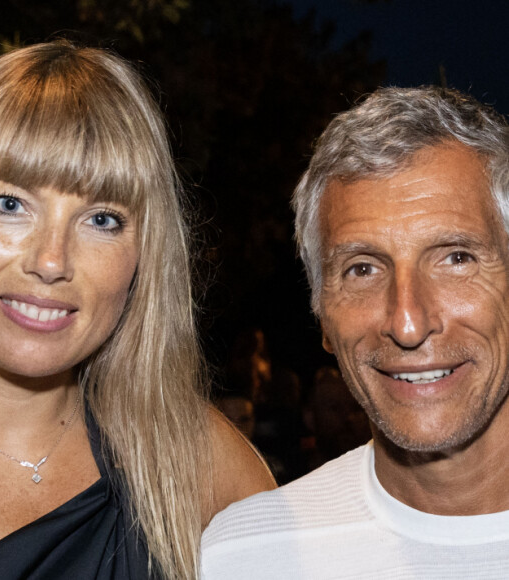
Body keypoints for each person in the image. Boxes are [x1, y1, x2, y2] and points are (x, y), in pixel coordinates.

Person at [0, 40, 275, 579]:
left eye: (102, 220)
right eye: (10, 204)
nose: (50, 261)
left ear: (144, 258)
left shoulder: (196, 467)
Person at [200, 86, 509, 578]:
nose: (408, 323)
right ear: (321, 314)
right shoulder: (243, 556)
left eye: (456, 258)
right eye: (363, 269)